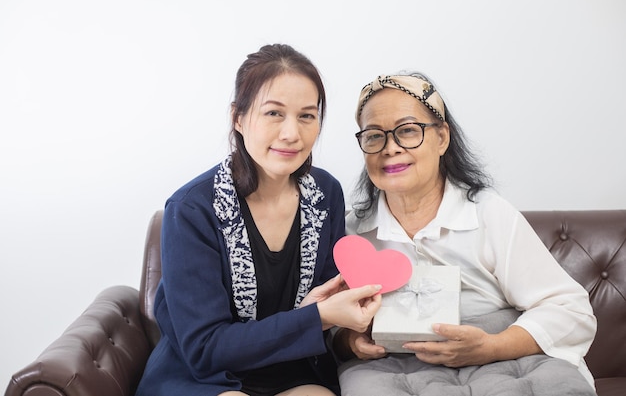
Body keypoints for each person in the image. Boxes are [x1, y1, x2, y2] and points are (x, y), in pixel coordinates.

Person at [135, 44, 382, 396]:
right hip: (204, 376)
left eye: (307, 116)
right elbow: (205, 349)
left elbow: (330, 300)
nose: (291, 134)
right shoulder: (192, 210)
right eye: (273, 114)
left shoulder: (325, 193)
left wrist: (349, 332)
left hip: (291, 369)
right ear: (238, 117)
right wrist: (319, 316)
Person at [333, 73, 598, 395]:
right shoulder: (351, 233)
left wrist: (493, 346)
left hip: (501, 364)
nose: (390, 148)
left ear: (442, 137)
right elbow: (330, 325)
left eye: (407, 131)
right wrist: (351, 341)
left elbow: (570, 310)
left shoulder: (488, 213)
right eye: (374, 136)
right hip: (397, 370)